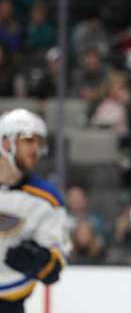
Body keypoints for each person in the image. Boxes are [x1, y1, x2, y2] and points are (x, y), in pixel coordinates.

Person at [0, 109, 70, 313]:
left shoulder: (46, 199)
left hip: (10, 304)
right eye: (29, 141)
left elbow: (55, 266)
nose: (36, 149)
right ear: (6, 143)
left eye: (39, 143)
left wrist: (40, 261)